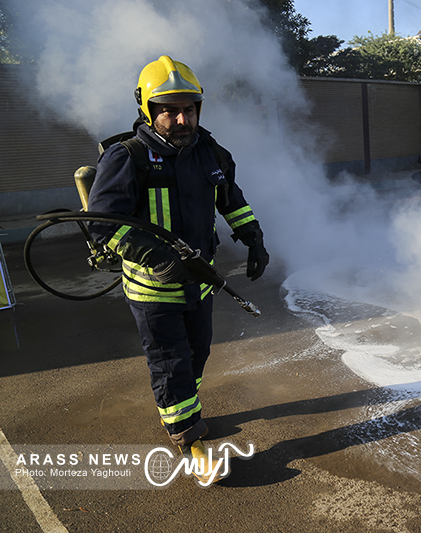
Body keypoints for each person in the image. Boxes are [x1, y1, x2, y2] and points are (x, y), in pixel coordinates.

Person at [87, 56, 269, 484]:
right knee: (171, 362)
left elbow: (231, 199)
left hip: (199, 285)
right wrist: (157, 258)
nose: (181, 118)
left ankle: (185, 407)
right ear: (147, 109)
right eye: (169, 110)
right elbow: (102, 225)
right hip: (154, 290)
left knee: (197, 353)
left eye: (189, 109)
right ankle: (189, 441)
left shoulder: (210, 151)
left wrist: (254, 237)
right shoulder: (126, 157)